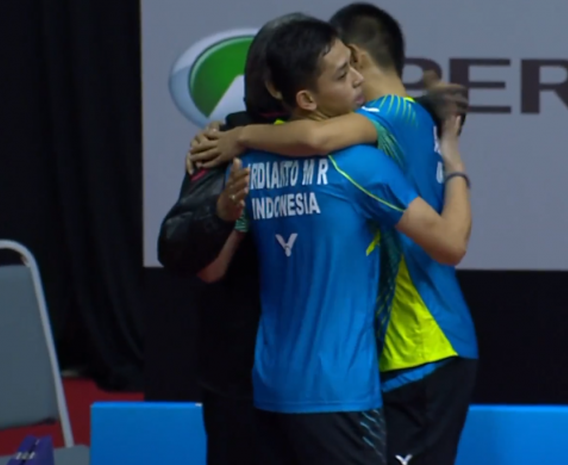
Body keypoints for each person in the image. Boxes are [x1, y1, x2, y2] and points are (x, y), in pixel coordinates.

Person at [188, 4, 477, 465]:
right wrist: (455, 161)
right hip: (348, 386)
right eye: (342, 74)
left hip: (282, 384)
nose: (355, 82)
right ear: (306, 96)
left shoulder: (256, 164)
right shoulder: (362, 163)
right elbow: (451, 243)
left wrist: (236, 143)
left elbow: (210, 268)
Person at [156, 13, 307, 465]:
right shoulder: (220, 146)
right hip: (240, 375)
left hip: (325, 376)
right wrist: (223, 215)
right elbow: (187, 254)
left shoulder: (344, 143)